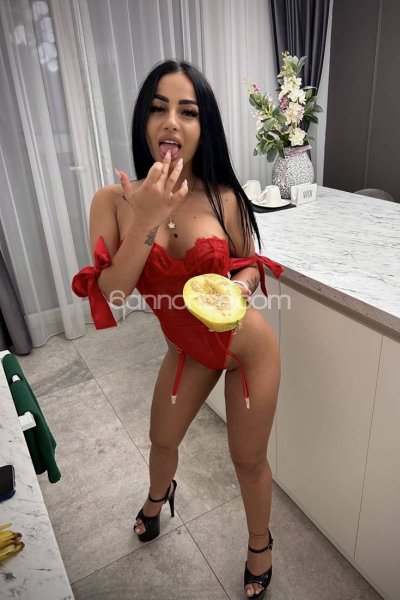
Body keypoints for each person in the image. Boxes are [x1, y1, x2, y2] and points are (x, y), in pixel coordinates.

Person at [72, 59, 283, 599]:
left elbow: (249, 263)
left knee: (247, 459)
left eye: (187, 111)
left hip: (247, 350)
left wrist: (238, 288)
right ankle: (158, 495)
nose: (171, 121)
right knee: (162, 439)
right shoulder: (113, 201)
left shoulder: (222, 196)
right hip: (187, 350)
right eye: (158, 108)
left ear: (202, 126)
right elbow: (113, 294)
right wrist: (146, 216)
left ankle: (260, 543)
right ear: (143, 122)